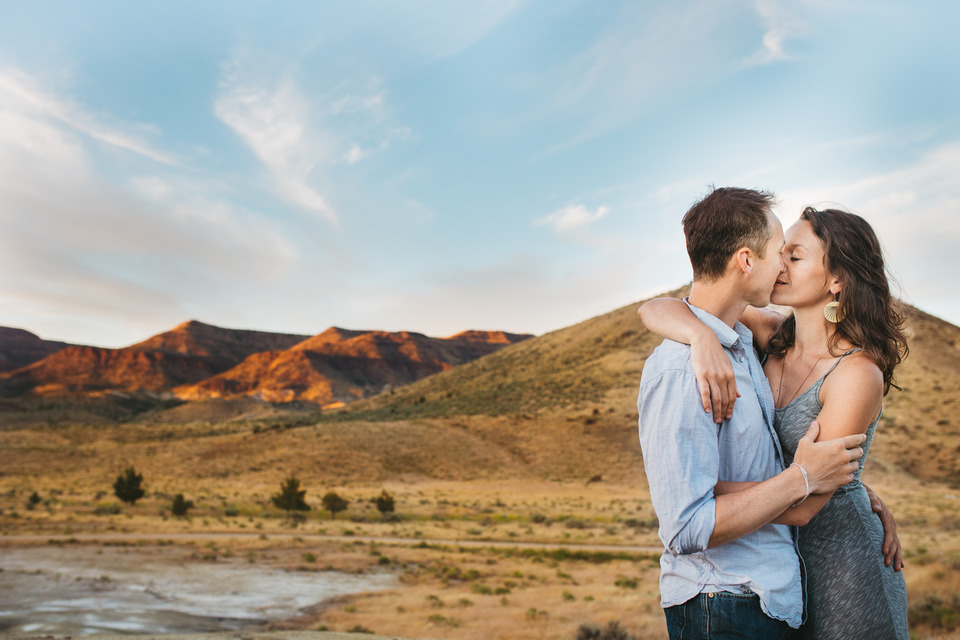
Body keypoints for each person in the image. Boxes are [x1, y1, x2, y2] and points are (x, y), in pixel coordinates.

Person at [639, 199, 909, 639]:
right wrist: (698, 335)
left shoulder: (856, 373)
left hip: (840, 560)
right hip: (779, 566)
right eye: (780, 251)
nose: (779, 264)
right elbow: (662, 307)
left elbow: (805, 502)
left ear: (837, 279)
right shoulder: (767, 336)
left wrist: (699, 490)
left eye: (795, 256)